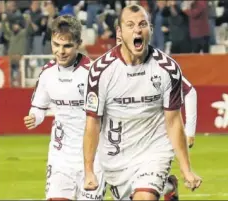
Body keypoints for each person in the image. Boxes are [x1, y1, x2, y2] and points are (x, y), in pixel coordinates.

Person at [83, 4, 202, 201]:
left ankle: (160, 184)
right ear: (119, 33)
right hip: (117, 154)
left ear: (150, 30)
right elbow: (92, 123)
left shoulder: (167, 69)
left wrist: (186, 169)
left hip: (154, 150)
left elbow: (173, 121)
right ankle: (168, 186)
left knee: (144, 198)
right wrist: (88, 170)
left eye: (142, 24)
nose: (137, 30)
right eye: (130, 25)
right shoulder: (100, 72)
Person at [23, 15, 105, 200]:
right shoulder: (47, 73)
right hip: (60, 157)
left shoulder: (93, 74)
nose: (60, 51)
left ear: (78, 44)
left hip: (93, 158)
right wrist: (35, 117)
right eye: (56, 45)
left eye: (67, 46)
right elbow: (39, 107)